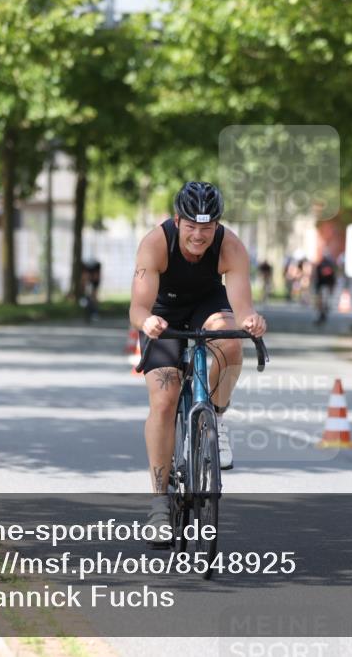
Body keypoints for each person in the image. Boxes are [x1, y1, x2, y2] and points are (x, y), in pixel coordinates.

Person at [129, 181, 267, 542]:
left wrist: (251, 320)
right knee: (164, 399)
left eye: (207, 227)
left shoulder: (230, 246)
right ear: (178, 220)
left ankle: (216, 418)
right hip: (162, 313)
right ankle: (160, 506)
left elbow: (242, 307)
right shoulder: (156, 243)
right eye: (192, 226)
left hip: (207, 304)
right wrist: (146, 322)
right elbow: (138, 306)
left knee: (231, 341)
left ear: (217, 225)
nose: (199, 235)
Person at [312, 253, 337, 325]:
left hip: (321, 285)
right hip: (326, 285)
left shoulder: (320, 265)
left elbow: (316, 277)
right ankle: (324, 311)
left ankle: (322, 312)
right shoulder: (330, 266)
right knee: (324, 301)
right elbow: (333, 278)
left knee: (321, 301)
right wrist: (332, 286)